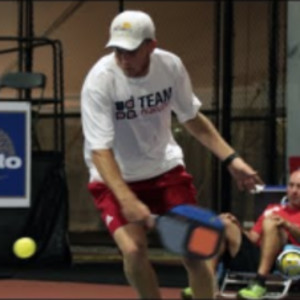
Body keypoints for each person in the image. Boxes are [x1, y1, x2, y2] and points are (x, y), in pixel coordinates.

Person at [80, 10, 263, 299]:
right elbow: (100, 151)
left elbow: (191, 117)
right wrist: (127, 199)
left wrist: (232, 159)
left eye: (130, 51)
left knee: (195, 250)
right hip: (114, 177)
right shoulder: (100, 81)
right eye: (117, 50)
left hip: (165, 170)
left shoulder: (170, 66)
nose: (123, 59)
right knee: (134, 250)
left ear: (150, 46)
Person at [216, 168, 300, 299]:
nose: (294, 191)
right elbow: (253, 238)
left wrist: (286, 224)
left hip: (283, 261)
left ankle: (260, 283)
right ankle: (205, 280)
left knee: (271, 223)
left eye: (299, 187)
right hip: (257, 256)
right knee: (224, 223)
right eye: (291, 185)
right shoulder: (272, 209)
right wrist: (237, 227)